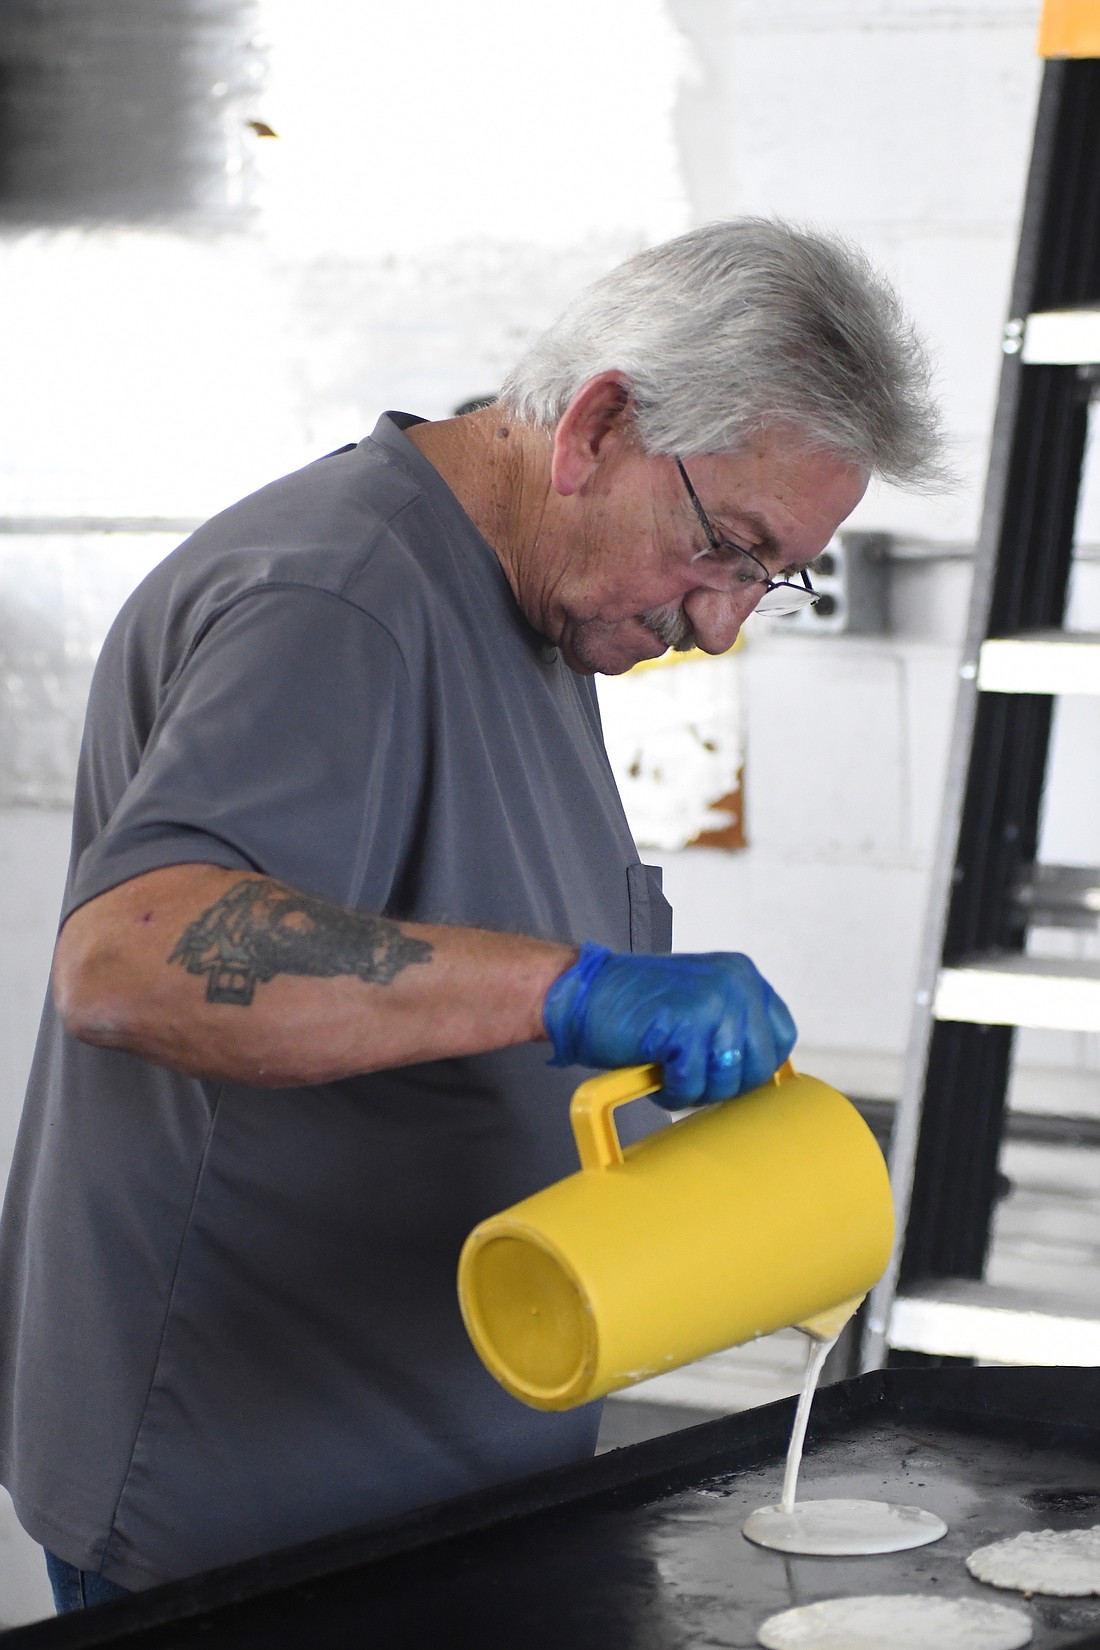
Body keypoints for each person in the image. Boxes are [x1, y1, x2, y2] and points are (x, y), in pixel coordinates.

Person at [0, 218, 943, 1604]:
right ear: (603, 424)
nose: (726, 621)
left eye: (770, 578)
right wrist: (567, 986)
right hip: (258, 1499)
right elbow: (133, 958)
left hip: (446, 1463)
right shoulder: (342, 598)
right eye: (730, 549)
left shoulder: (535, 597)